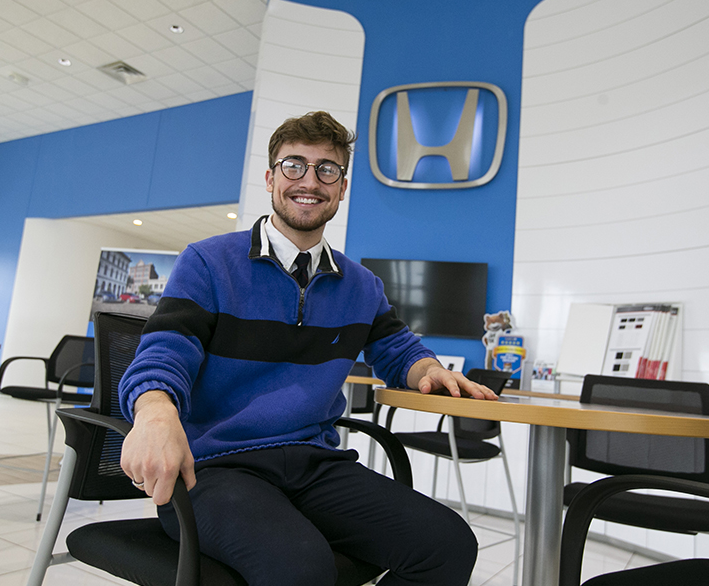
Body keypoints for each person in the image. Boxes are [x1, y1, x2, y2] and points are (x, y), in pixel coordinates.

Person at [118, 110, 498, 586]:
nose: (310, 181)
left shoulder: (361, 285)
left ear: (341, 188)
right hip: (214, 469)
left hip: (312, 464)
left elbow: (398, 349)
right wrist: (155, 413)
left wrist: (426, 368)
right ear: (271, 177)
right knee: (302, 568)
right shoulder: (209, 261)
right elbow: (164, 350)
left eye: (327, 169)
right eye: (294, 165)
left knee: (448, 545)